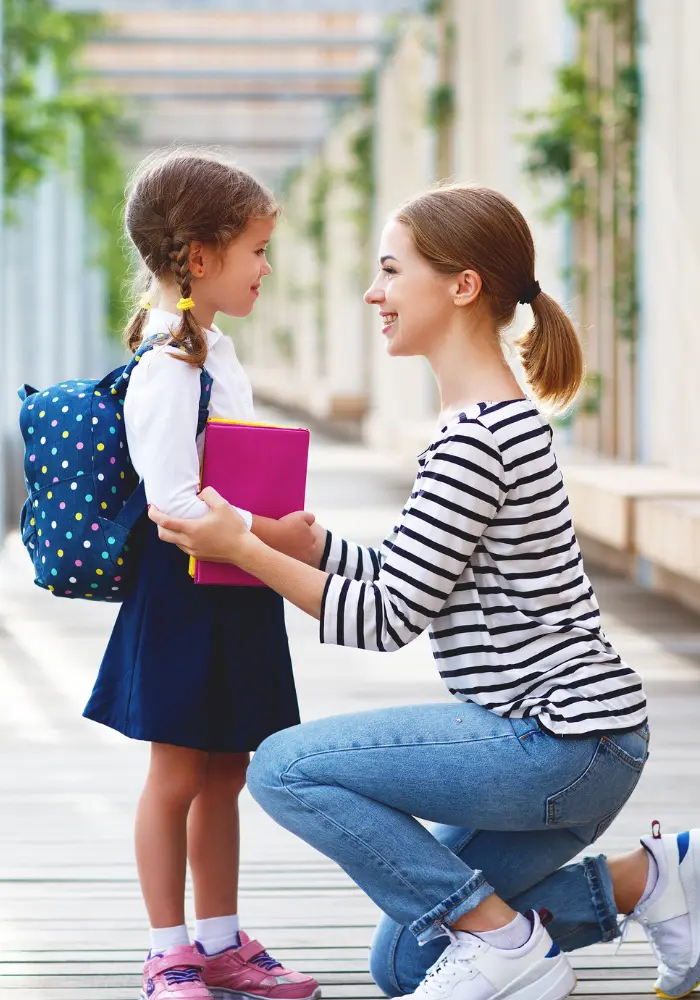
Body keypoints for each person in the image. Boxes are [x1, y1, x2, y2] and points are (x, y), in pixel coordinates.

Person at [148, 184, 700, 1000]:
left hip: (557, 742)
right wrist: (314, 547)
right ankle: (652, 883)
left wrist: (244, 550)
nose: (374, 294)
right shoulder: (490, 421)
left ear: (462, 286)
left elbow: (386, 619)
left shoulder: (476, 439)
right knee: (407, 962)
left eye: (391, 271)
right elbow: (417, 573)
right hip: (587, 745)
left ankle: (504, 940)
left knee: (284, 768)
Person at [83, 151, 321, 1000]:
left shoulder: (212, 350)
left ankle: (220, 942)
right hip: (186, 590)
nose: (265, 268)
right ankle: (167, 951)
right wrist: (272, 534)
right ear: (199, 256)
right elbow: (174, 505)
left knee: (226, 771)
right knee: (177, 776)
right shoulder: (168, 365)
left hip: (231, 588)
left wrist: (266, 532)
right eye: (256, 249)